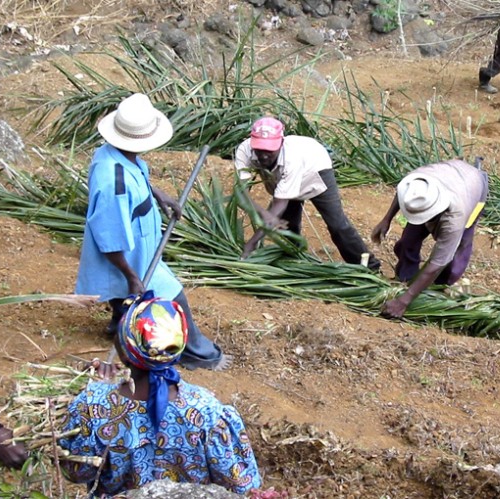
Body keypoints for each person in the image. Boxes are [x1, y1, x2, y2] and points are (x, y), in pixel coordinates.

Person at [75, 93, 229, 371]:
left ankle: (121, 322)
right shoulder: (114, 182)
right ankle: (194, 350)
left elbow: (137, 177)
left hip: (138, 242)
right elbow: (110, 239)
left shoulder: (114, 153)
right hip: (126, 252)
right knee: (169, 292)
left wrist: (159, 196)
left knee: (124, 292)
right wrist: (132, 275)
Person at [58, 293, 262, 496]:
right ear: (178, 349)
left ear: (123, 350)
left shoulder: (93, 407)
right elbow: (241, 484)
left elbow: (75, 472)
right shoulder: (208, 412)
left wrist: (98, 386)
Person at [234, 117, 380, 270]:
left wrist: (251, 243)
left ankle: (369, 266)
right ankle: (293, 257)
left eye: (269, 150)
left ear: (281, 142)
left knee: (337, 224)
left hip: (315, 169)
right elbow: (242, 193)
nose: (263, 155)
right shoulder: (244, 150)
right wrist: (263, 213)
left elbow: (278, 205)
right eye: (259, 149)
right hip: (283, 178)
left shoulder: (292, 158)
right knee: (288, 223)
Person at [371, 159, 488, 319]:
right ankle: (405, 278)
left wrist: (403, 302)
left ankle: (438, 288)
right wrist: (387, 219)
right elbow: (402, 194)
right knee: (408, 241)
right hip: (449, 174)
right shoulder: (418, 184)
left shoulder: (455, 219)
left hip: (475, 190)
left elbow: (436, 264)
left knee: (457, 249)